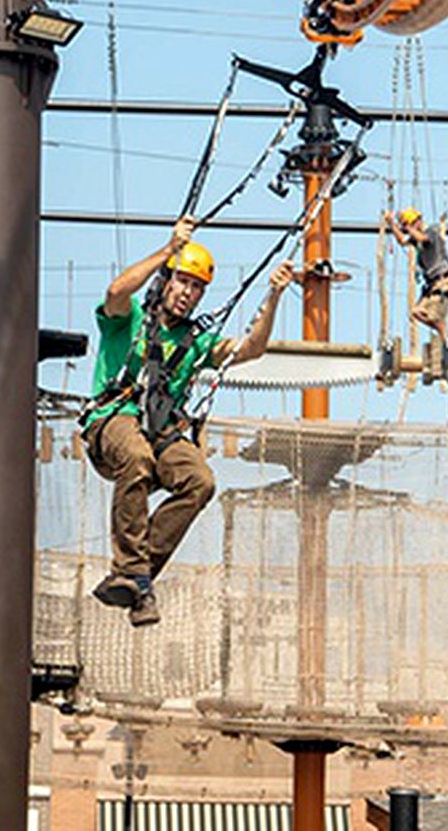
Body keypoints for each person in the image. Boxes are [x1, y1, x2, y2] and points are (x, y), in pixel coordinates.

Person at [82, 217, 292, 627]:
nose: (188, 293)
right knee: (137, 458)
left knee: (200, 481)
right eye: (182, 282)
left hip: (160, 431)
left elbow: (250, 349)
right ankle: (133, 571)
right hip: (114, 419)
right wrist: (168, 249)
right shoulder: (132, 317)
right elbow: (116, 291)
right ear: (166, 281)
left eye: (196, 288)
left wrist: (274, 295)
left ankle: (136, 578)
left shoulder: (196, 341)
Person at [385, 208, 448, 379]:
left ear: (418, 222)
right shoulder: (415, 237)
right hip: (433, 284)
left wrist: (409, 228)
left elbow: (422, 239)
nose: (409, 229)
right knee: (416, 312)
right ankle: (447, 334)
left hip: (444, 281)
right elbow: (402, 241)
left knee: (432, 315)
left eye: (410, 224)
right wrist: (392, 224)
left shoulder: (431, 232)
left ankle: (446, 334)